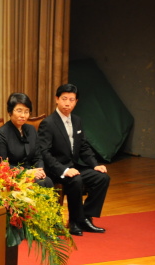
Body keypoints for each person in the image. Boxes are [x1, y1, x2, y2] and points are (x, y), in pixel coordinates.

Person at [38, 83, 110, 236]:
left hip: (73, 166)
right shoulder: (48, 123)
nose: (67, 103)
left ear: (76, 102)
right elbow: (44, 152)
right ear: (56, 99)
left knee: (102, 177)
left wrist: (95, 165)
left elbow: (83, 147)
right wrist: (64, 170)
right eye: (64, 99)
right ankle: (74, 221)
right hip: (56, 170)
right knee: (75, 179)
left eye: (71, 100)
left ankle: (85, 217)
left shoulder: (77, 121)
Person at [0, 93, 54, 188]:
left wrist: (39, 170)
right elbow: (2, 166)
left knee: (48, 181)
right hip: (14, 177)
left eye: (26, 111)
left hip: (32, 172)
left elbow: (38, 157)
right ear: (10, 112)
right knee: (40, 184)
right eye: (19, 111)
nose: (23, 115)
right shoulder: (2, 134)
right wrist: (26, 172)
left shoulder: (31, 130)